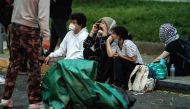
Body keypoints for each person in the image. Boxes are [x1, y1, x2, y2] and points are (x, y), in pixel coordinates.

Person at [0, 0, 50, 108]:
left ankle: (6, 98)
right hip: (30, 28)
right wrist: (46, 36)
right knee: (34, 65)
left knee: (14, 63)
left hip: (14, 26)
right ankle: (34, 102)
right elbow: (43, 15)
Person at [83, 17, 116, 83]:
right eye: (100, 23)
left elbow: (104, 48)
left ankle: (100, 79)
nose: (101, 25)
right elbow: (85, 45)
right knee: (86, 51)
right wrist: (92, 31)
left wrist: (105, 33)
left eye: (103, 23)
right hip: (97, 58)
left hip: (106, 59)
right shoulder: (98, 34)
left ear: (109, 26)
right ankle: (90, 73)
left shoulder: (112, 36)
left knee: (104, 53)